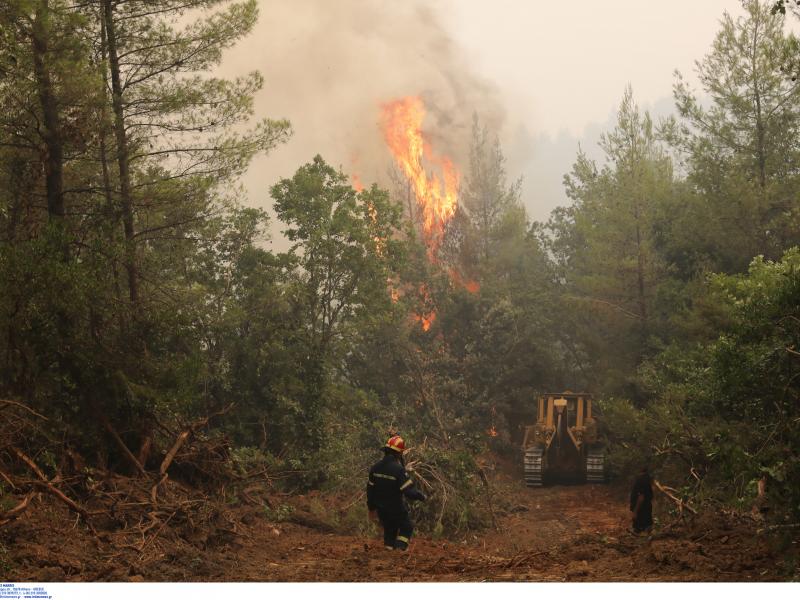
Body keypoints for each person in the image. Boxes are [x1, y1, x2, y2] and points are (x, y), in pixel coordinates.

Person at [367, 434, 426, 550]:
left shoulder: (375, 468)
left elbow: (370, 490)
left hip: (381, 509)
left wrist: (371, 507)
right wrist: (421, 496)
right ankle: (399, 550)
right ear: (398, 454)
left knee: (390, 530)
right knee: (406, 527)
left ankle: (389, 554)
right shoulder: (398, 470)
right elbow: (409, 492)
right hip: (395, 508)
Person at [629, 465, 654, 533]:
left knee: (638, 532)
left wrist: (635, 511)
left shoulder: (640, 480)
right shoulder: (648, 478)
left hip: (641, 512)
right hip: (647, 509)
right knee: (647, 530)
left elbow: (641, 497)